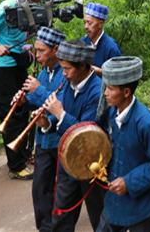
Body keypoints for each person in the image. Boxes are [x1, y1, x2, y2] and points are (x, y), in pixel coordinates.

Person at [96, 57, 150, 232]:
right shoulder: (112, 113)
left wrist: (128, 182)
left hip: (141, 204)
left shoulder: (146, 124)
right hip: (115, 200)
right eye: (105, 87)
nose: (105, 93)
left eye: (110, 89)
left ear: (126, 92)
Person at [37, 40, 105, 231]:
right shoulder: (69, 83)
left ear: (83, 66)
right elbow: (62, 116)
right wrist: (47, 122)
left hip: (92, 166)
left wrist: (60, 114)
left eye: (67, 69)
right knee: (60, 217)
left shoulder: (98, 91)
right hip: (68, 163)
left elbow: (86, 135)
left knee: (100, 218)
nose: (64, 74)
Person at [0, 0, 44, 180]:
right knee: (10, 115)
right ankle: (16, 167)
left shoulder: (28, 9)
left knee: (23, 109)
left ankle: (23, 155)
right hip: (3, 70)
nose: (38, 3)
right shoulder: (6, 7)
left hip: (18, 65)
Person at [12, 27, 66, 231]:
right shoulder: (43, 73)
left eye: (42, 51)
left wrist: (38, 89)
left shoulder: (66, 72)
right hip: (43, 141)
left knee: (65, 191)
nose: (37, 55)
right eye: (36, 50)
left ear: (56, 50)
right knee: (40, 188)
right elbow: (37, 101)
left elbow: (60, 104)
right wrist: (23, 102)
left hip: (60, 140)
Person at [81, 3, 122, 122]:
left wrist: (99, 71)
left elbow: (119, 76)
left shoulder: (111, 47)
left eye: (90, 23)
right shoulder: (82, 43)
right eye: (84, 22)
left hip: (106, 101)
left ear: (100, 24)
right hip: (86, 99)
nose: (86, 27)